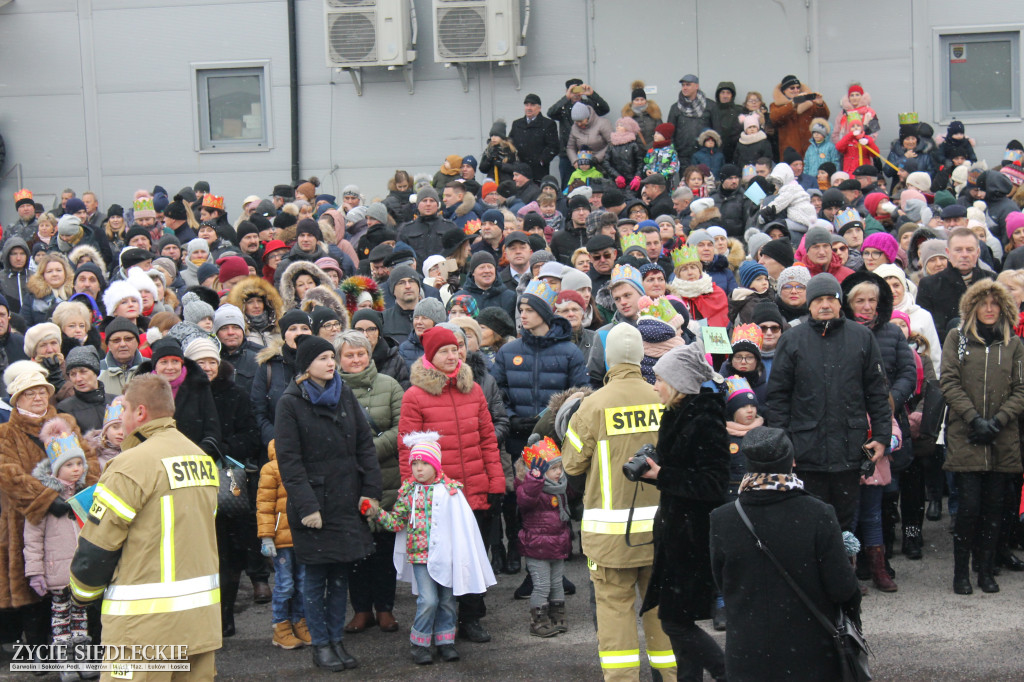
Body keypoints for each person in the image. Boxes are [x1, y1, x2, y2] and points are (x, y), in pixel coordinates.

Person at [69, 374, 220, 679]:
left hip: (143, 628)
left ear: (139, 412)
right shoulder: (200, 458)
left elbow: (98, 546)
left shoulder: (131, 464)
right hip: (199, 623)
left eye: (123, 409)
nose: (120, 418)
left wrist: (81, 592)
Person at [562, 323, 678, 680]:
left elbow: (571, 463)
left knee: (614, 614)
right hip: (662, 532)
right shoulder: (664, 398)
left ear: (607, 359)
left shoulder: (592, 405)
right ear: (641, 356)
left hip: (611, 540)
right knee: (661, 612)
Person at [709, 426, 862, 682]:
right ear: (792, 461)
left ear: (747, 463)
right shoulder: (818, 514)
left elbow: (722, 582)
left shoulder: (722, 518)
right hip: (812, 655)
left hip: (748, 655)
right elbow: (842, 589)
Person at [274, 334, 382, 670]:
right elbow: (289, 463)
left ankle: (336, 640)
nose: (331, 363)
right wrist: (307, 507)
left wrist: (371, 491)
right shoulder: (290, 403)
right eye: (322, 359)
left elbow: (365, 444)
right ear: (306, 366)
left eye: (330, 357)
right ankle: (320, 644)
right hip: (315, 506)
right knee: (315, 578)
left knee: (340, 577)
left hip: (346, 500)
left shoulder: (343, 393)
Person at [398, 326, 504, 643]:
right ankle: (442, 620)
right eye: (444, 350)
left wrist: (496, 482)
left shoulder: (473, 391)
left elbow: (487, 440)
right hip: (437, 496)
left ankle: (471, 616)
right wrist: (411, 493)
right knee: (442, 558)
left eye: (456, 349)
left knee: (472, 555)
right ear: (430, 355)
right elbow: (408, 449)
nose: (452, 355)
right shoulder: (415, 396)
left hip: (474, 489)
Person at [766, 273, 892, 533]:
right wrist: (783, 443)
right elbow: (778, 397)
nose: (825, 305)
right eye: (818, 299)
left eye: (830, 299)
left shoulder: (862, 337)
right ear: (809, 304)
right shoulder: (791, 340)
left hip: (849, 449)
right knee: (809, 523)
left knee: (845, 525)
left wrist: (881, 435)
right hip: (805, 451)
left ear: (839, 302)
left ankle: (844, 571)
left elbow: (877, 393)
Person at [635, 344, 728, 681]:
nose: (655, 385)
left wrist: (663, 475)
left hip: (693, 536)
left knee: (675, 621)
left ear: (677, 382)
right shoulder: (677, 412)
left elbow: (713, 484)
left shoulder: (704, 419)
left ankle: (729, 673)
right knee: (680, 621)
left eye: (659, 379)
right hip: (677, 531)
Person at [365, 431, 495, 665]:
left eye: (424, 463)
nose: (419, 468)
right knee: (428, 600)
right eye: (415, 463)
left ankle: (446, 642)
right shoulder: (408, 493)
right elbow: (397, 523)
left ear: (435, 464)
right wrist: (377, 514)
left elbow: (462, 528)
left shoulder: (451, 491)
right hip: (420, 557)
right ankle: (420, 643)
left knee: (446, 600)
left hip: (446, 556)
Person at [1, 361, 99, 653]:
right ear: (17, 399)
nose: (38, 397)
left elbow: (90, 460)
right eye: (30, 393)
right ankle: (38, 649)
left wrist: (75, 495)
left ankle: (77, 647)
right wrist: (48, 499)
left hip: (71, 517)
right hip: (25, 521)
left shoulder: (65, 422)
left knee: (74, 585)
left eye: (42, 391)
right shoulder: (6, 433)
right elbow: (8, 474)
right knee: (34, 586)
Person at [940, 279, 1024, 594]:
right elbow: (948, 381)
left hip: (1002, 437)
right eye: (983, 303)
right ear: (972, 307)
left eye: (995, 303)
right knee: (969, 508)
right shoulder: (956, 338)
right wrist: (975, 419)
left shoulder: (1014, 344)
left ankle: (986, 570)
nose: (989, 309)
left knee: (995, 508)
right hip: (967, 435)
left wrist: (998, 421)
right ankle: (961, 571)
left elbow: (1021, 388)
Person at [333, 330, 404, 636]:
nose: (356, 359)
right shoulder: (331, 390)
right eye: (349, 355)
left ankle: (385, 609)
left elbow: (403, 428)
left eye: (361, 353)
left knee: (384, 550)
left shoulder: (389, 385)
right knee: (356, 552)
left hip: (386, 478)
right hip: (348, 481)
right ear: (339, 360)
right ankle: (361, 609)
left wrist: (367, 449)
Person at [24, 418, 95, 665]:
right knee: (60, 619)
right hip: (57, 572)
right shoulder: (45, 499)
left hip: (81, 572)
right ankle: (66, 662)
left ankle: (83, 661)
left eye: (79, 464)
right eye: (69, 464)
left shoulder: (85, 495)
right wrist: (35, 572)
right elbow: (32, 539)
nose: (76, 469)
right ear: (56, 469)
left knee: (81, 619)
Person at [515, 437, 571, 638]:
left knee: (557, 583)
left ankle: (558, 616)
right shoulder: (531, 487)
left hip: (557, 544)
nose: (558, 472)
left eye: (559, 467)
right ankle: (538, 621)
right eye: (553, 468)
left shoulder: (560, 487)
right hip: (537, 546)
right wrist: (534, 479)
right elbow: (525, 499)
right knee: (542, 585)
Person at [257, 438, 310, 650]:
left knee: (304, 584)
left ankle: (299, 622)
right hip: (281, 540)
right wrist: (266, 536)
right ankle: (281, 627)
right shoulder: (271, 469)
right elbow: (264, 505)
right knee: (285, 585)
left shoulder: (303, 464)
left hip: (303, 536)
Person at [918, 227, 994, 343]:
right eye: (958, 250)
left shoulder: (993, 281)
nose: (964, 255)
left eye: (969, 250)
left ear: (977, 252)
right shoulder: (929, 285)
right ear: (948, 252)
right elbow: (928, 327)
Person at [252, 309, 312, 447]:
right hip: (277, 448)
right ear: (284, 334)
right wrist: (278, 441)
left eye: (305, 328)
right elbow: (258, 412)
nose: (299, 333)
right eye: (292, 328)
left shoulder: (323, 363)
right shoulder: (269, 366)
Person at [769, 74, 830, 160]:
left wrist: (820, 104)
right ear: (784, 90)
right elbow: (775, 118)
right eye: (792, 88)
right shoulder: (776, 106)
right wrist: (793, 104)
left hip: (809, 149)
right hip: (789, 151)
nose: (796, 90)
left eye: (798, 87)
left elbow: (823, 118)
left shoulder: (809, 103)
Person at [510, 93, 560, 183]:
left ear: (539, 108)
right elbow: (510, 144)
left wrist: (541, 161)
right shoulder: (517, 124)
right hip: (519, 171)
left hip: (538, 172)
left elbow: (553, 146)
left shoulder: (548, 124)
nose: (529, 108)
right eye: (526, 105)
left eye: (532, 105)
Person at [666, 74, 712, 167]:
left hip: (705, 154)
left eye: (688, 85)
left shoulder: (710, 106)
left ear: (696, 86)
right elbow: (670, 134)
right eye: (683, 85)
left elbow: (716, 131)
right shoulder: (675, 108)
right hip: (683, 155)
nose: (685, 88)